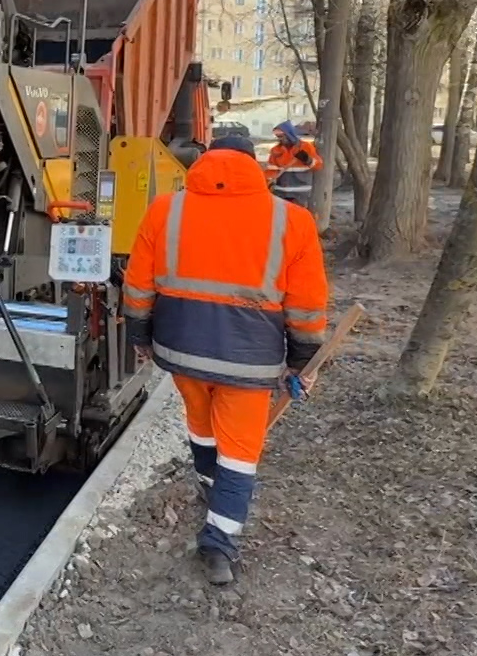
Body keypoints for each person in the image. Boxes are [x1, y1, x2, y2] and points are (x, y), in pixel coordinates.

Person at [120, 134, 330, 586]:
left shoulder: (165, 209)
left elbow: (137, 286)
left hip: (180, 349)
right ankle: (219, 544)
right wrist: (301, 361)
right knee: (240, 451)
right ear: (253, 165)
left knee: (198, 417)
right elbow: (307, 307)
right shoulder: (291, 220)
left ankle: (207, 484)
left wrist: (140, 338)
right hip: (248, 361)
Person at [265, 120, 323, 206]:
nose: (279, 139)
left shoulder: (306, 147)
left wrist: (308, 160)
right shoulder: (276, 150)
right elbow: (270, 171)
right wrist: (266, 185)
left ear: (289, 134)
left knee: (299, 216)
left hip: (300, 193)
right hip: (281, 192)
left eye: (281, 136)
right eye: (278, 136)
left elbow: (318, 165)